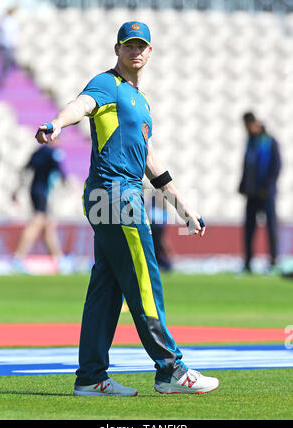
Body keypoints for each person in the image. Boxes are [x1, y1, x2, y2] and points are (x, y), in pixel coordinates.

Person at [35, 22, 219, 397]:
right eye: (129, 45)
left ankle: (90, 377)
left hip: (116, 194)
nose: (136, 51)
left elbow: (149, 160)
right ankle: (170, 369)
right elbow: (81, 105)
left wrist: (184, 209)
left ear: (149, 53)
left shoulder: (142, 102)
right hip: (116, 194)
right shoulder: (108, 85)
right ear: (117, 49)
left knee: (108, 285)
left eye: (142, 46)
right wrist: (56, 123)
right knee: (143, 279)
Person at [239, 111, 282, 273]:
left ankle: (273, 261)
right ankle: (248, 262)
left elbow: (276, 166)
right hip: (252, 193)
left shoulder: (269, 141)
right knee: (249, 228)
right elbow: (246, 165)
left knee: (271, 227)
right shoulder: (250, 141)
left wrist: (267, 186)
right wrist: (242, 184)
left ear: (253, 123)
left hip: (267, 194)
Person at [13, 143, 66, 266]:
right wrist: (66, 182)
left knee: (47, 226)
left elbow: (26, 169)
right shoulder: (53, 153)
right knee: (37, 221)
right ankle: (18, 257)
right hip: (43, 192)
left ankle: (58, 258)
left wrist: (16, 189)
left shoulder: (38, 152)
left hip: (34, 190)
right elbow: (60, 171)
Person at [0, 6, 19, 86]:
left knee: (6, 62)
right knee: (1, 62)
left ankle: (1, 78)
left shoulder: (14, 21)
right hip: (2, 44)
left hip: (8, 45)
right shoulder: (3, 20)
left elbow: (14, 34)